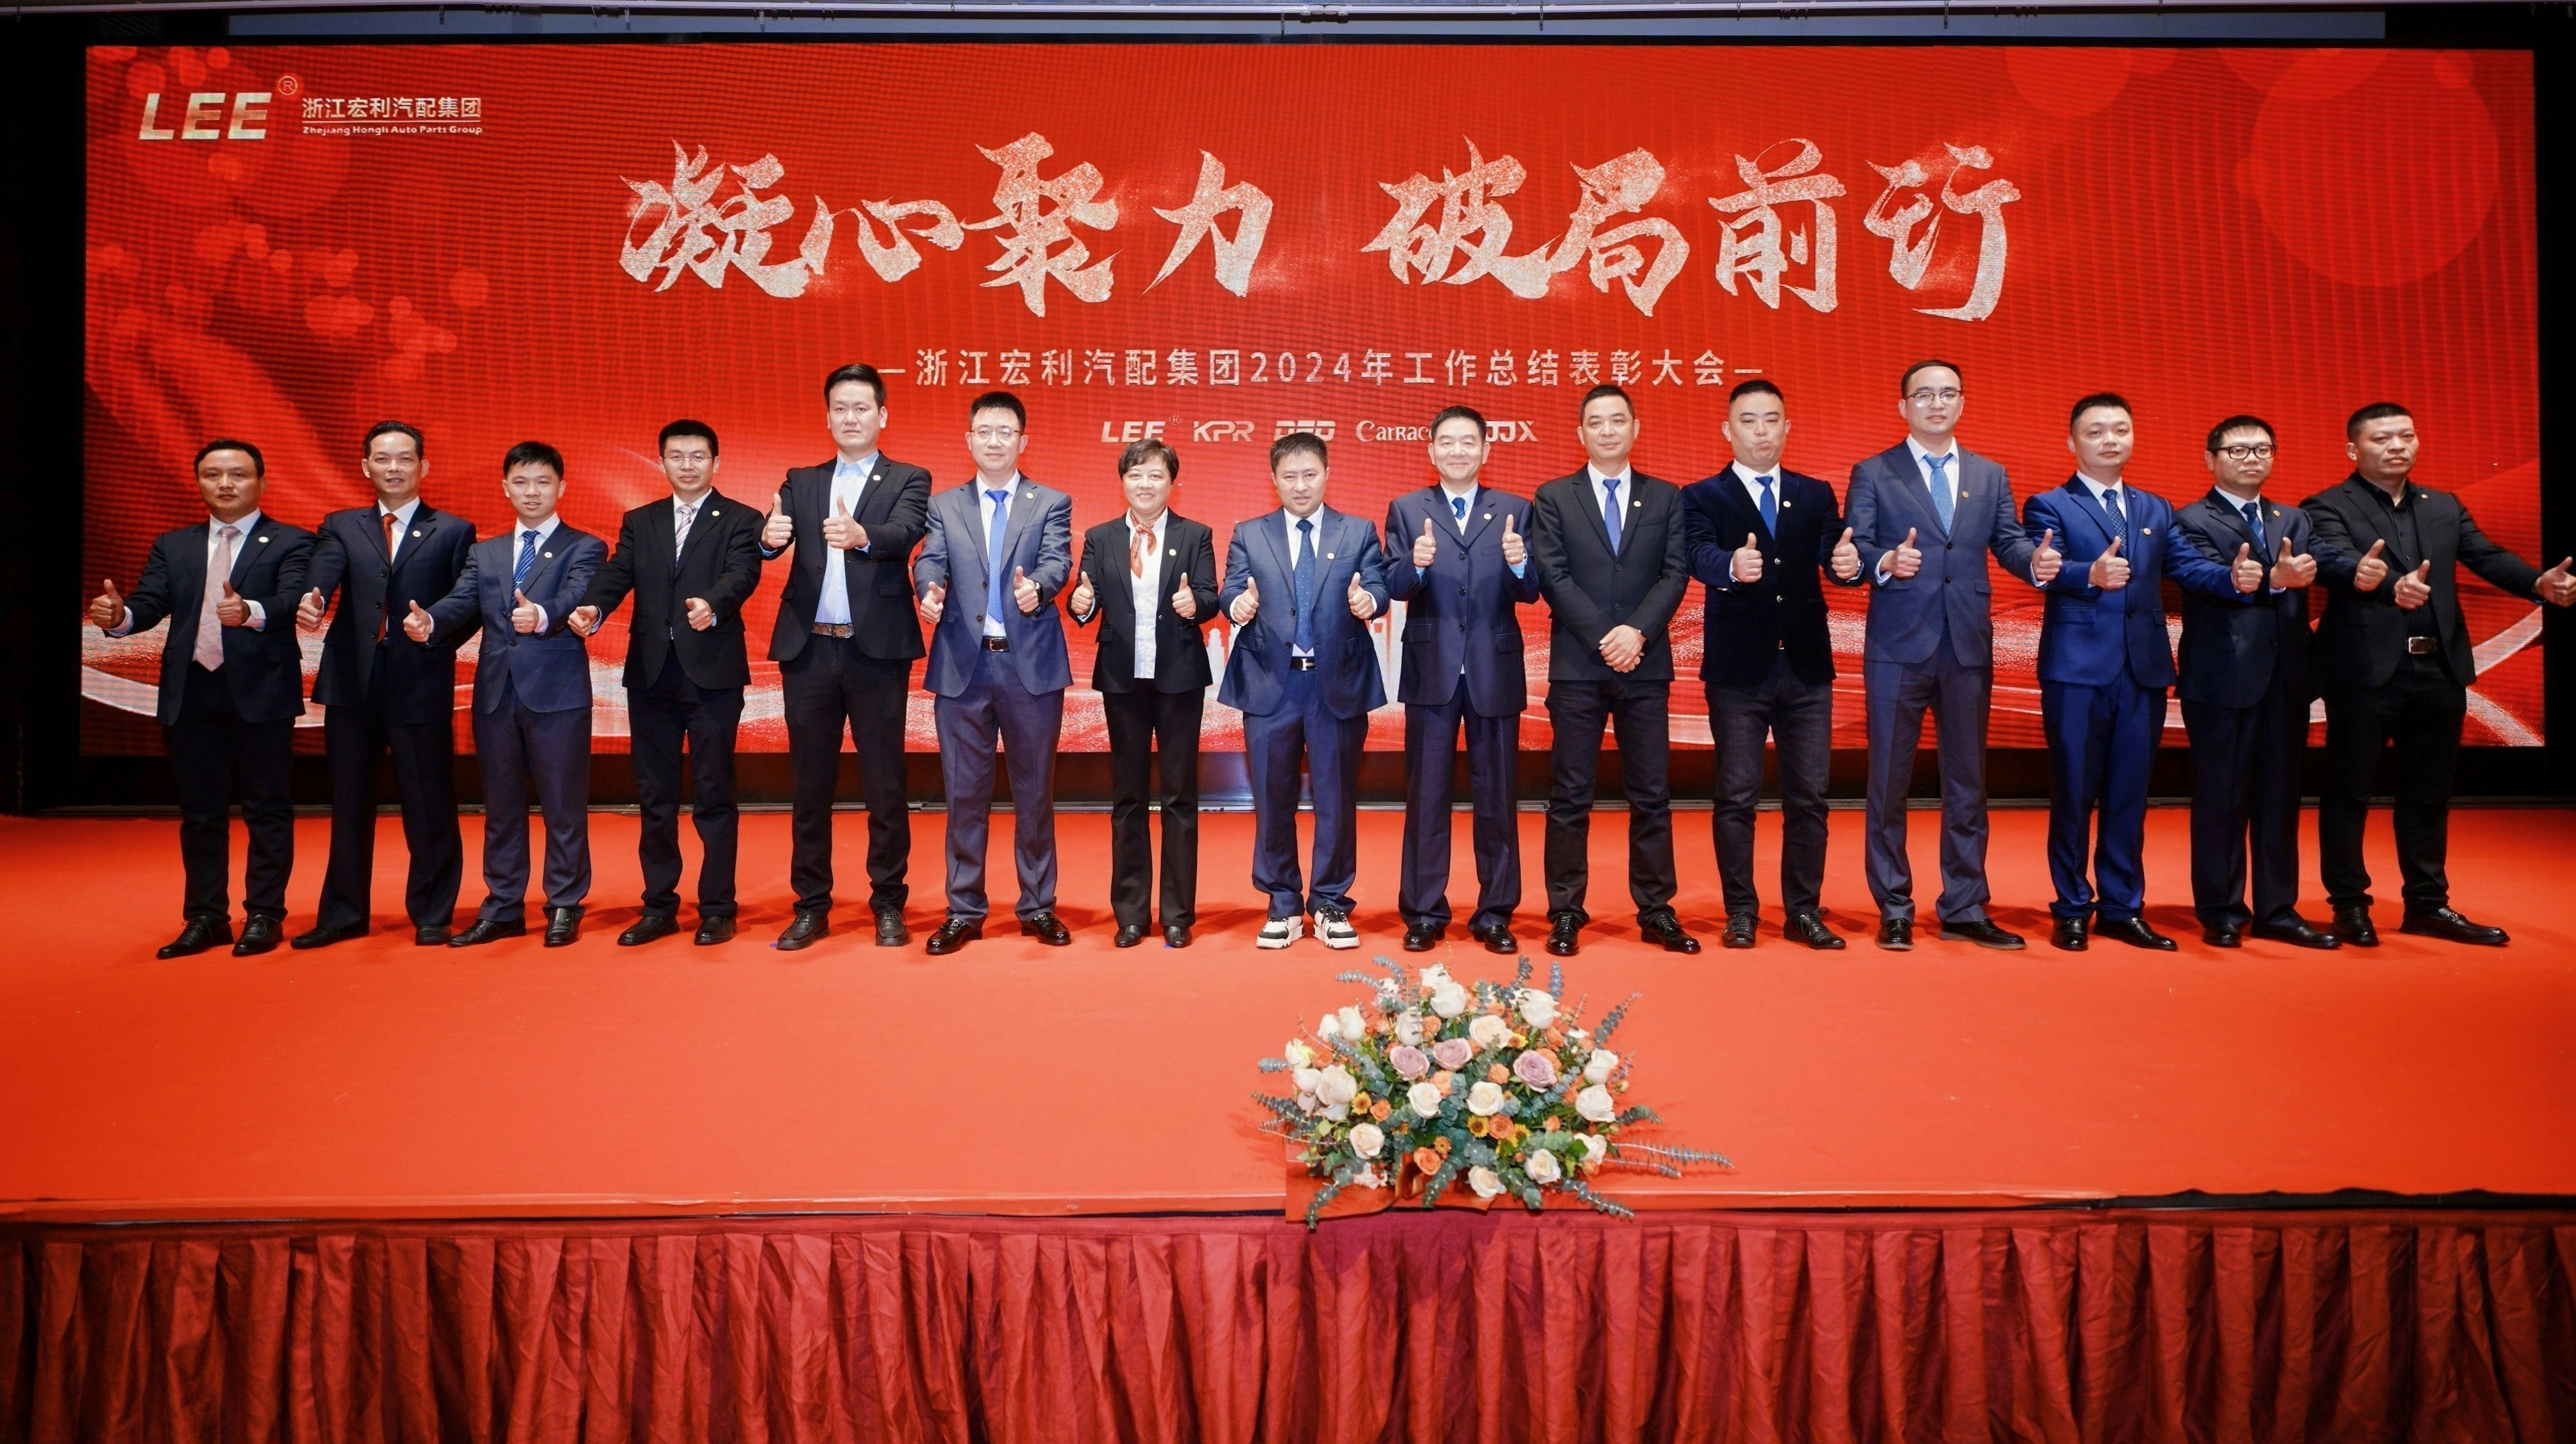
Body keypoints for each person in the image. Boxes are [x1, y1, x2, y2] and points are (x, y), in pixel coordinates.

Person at [2304, 402, 2576, 946]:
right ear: (2353, 450)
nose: (2397, 446)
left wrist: (2536, 583)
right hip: (2365, 672)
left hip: (2439, 669)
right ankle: (2350, 906)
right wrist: (2388, 585)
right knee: (2349, 792)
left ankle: (2427, 904)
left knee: (2428, 794)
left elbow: (2486, 556)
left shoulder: (2444, 505)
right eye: (2382, 438)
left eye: (2406, 436)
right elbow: (2333, 560)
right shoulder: (2327, 505)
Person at [1844, 361, 2060, 952]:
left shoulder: (1990, 474)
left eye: (1947, 394)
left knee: (1967, 782)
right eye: (1923, 394)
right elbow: (1858, 547)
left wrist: (2035, 563)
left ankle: (1964, 905)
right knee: (1888, 782)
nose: (1936, 403)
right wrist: (1885, 562)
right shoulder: (1874, 471)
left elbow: (2009, 542)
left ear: (1962, 402)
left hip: (1966, 644)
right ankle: (1894, 905)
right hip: (1897, 647)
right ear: (1903, 406)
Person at [2023, 394, 2245, 952]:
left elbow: (2186, 566)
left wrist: (2232, 578)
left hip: (2142, 671)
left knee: (2129, 795)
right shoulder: (2050, 504)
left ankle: (2122, 907)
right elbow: (2046, 567)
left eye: (2120, 429)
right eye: (2096, 431)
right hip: (2076, 671)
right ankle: (2072, 907)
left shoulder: (2155, 508)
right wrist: (2088, 573)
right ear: (2072, 442)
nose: (2110, 440)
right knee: (2074, 795)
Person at [88, 440, 312, 957]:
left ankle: (264, 914)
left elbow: (291, 600)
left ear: (262, 482)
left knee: (267, 807)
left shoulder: (293, 541)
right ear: (198, 483)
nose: (225, 484)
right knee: (200, 812)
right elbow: (149, 603)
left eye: (238, 474)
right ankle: (206, 917)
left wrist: (251, 611)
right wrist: (119, 617)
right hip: (191, 690)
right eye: (213, 475)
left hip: (261, 690)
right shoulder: (175, 544)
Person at [1678, 380, 1863, 951]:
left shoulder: (1814, 492)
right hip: (1739, 670)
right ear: (1728, 430)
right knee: (1737, 796)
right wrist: (1731, 566)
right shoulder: (1702, 495)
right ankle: (1741, 911)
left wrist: (1850, 564)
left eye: (1771, 419)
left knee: (1810, 797)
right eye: (1749, 420)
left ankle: (1803, 910)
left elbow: (1834, 557)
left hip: (1806, 667)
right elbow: (1696, 554)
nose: (1761, 431)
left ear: (1787, 427)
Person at [569, 421, 765, 946]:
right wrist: (593, 607)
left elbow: (742, 573)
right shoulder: (642, 520)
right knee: (655, 795)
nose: (687, 465)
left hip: (712, 674)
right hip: (651, 672)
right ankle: (658, 905)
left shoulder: (742, 519)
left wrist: (714, 604)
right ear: (661, 462)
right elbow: (618, 573)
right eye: (676, 456)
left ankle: (718, 907)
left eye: (698, 456)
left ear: (716, 462)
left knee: (714, 792)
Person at [760, 364, 933, 950]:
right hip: (808, 650)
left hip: (876, 653)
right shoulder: (801, 480)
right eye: (840, 408)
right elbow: (774, 536)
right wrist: (768, 539)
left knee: (885, 783)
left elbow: (905, 532)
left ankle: (888, 903)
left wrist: (863, 536)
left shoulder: (909, 477)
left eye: (862, 408)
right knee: (810, 786)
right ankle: (811, 906)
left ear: (882, 415)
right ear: (828, 416)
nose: (851, 418)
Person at [291, 421, 477, 948]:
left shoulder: (453, 530)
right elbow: (324, 570)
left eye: (404, 458)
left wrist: (435, 630)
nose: (393, 468)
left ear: (424, 466)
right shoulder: (341, 524)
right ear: (365, 466)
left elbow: (469, 601)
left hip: (419, 677)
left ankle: (433, 912)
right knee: (349, 802)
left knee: (429, 800)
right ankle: (343, 914)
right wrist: (312, 597)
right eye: (382, 458)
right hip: (354, 680)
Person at [412, 442, 605, 948]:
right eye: (521, 482)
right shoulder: (486, 552)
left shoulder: (585, 547)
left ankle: (564, 903)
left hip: (558, 694)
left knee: (563, 806)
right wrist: (431, 620)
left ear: (561, 487)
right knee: (500, 808)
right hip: (496, 695)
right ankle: (502, 907)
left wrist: (542, 615)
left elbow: (577, 595)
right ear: (505, 488)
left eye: (543, 482)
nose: (532, 492)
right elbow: (461, 601)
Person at [1528, 385, 1698, 957]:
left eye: (1617, 420)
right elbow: (1553, 575)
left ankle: (1657, 909)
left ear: (1635, 428)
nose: (1607, 430)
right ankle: (1566, 911)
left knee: (1651, 793)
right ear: (1580, 433)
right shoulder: (1554, 496)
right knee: (1570, 795)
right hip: (1578, 667)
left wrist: (1637, 633)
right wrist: (1607, 637)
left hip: (1644, 665)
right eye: (1596, 422)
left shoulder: (1666, 497)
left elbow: (1674, 574)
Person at [911, 392, 1075, 954]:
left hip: (1030, 668)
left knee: (1035, 794)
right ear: (969, 440)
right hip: (963, 666)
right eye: (984, 431)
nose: (995, 441)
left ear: (1023, 441)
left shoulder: (1050, 501)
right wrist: (929, 589)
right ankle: (964, 910)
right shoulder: (944, 505)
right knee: (964, 795)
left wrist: (1041, 588)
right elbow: (931, 558)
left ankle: (1038, 906)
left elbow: (1057, 560)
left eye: (1006, 432)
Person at [2171, 416, 2338, 950]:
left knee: (2280, 798)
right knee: (2221, 798)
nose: (2251, 458)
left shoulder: (2294, 518)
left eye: (2262, 449)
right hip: (2221, 679)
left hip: (2287, 679)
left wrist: (2362, 574)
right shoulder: (2189, 519)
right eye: (2238, 450)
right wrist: (2268, 580)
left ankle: (2278, 909)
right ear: (2211, 459)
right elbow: (2199, 575)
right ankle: (2221, 910)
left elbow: (2326, 562)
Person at [1218, 432, 1389, 950]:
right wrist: (1236, 606)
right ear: (1274, 480)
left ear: (1326, 475)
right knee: (1273, 799)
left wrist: (1370, 601)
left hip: (1336, 683)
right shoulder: (1250, 533)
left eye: (1309, 474)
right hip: (1271, 685)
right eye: (1289, 476)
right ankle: (1283, 903)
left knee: (1336, 798)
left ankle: (1331, 901)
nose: (1300, 485)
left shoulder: (1357, 531)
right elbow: (1232, 589)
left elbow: (1377, 585)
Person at [1384, 405, 1540, 956]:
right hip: (1432, 670)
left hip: (1495, 668)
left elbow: (1531, 590)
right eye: (1446, 442)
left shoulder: (1515, 510)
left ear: (1486, 450)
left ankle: (1495, 913)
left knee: (1497, 796)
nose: (1457, 451)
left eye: (1468, 442)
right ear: (1431, 450)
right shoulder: (1407, 509)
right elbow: (1394, 586)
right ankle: (1424, 912)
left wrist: (1520, 564)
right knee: (1426, 796)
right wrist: (1416, 563)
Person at [1067, 437, 1218, 949]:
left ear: (1172, 482)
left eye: (1155, 475)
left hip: (1179, 678)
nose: (1145, 484)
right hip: (1123, 679)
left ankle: (1177, 915)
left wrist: (1195, 604)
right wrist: (1082, 604)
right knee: (1128, 797)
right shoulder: (1100, 536)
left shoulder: (1195, 535)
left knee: (1179, 796)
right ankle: (1131, 913)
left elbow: (1209, 596)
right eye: (1136, 475)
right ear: (1123, 482)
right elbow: (1085, 597)